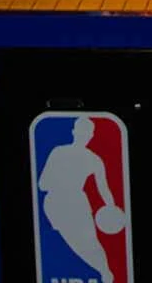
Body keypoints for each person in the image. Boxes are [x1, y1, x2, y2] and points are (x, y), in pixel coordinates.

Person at [37, 117, 115, 281]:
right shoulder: (59, 152)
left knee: (89, 241)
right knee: (72, 241)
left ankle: (105, 273)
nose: (84, 136)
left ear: (91, 135)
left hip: (74, 202)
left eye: (86, 133)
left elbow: (104, 189)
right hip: (56, 203)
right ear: (74, 132)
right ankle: (102, 272)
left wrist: (112, 209)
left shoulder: (94, 159)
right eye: (83, 132)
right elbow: (42, 184)